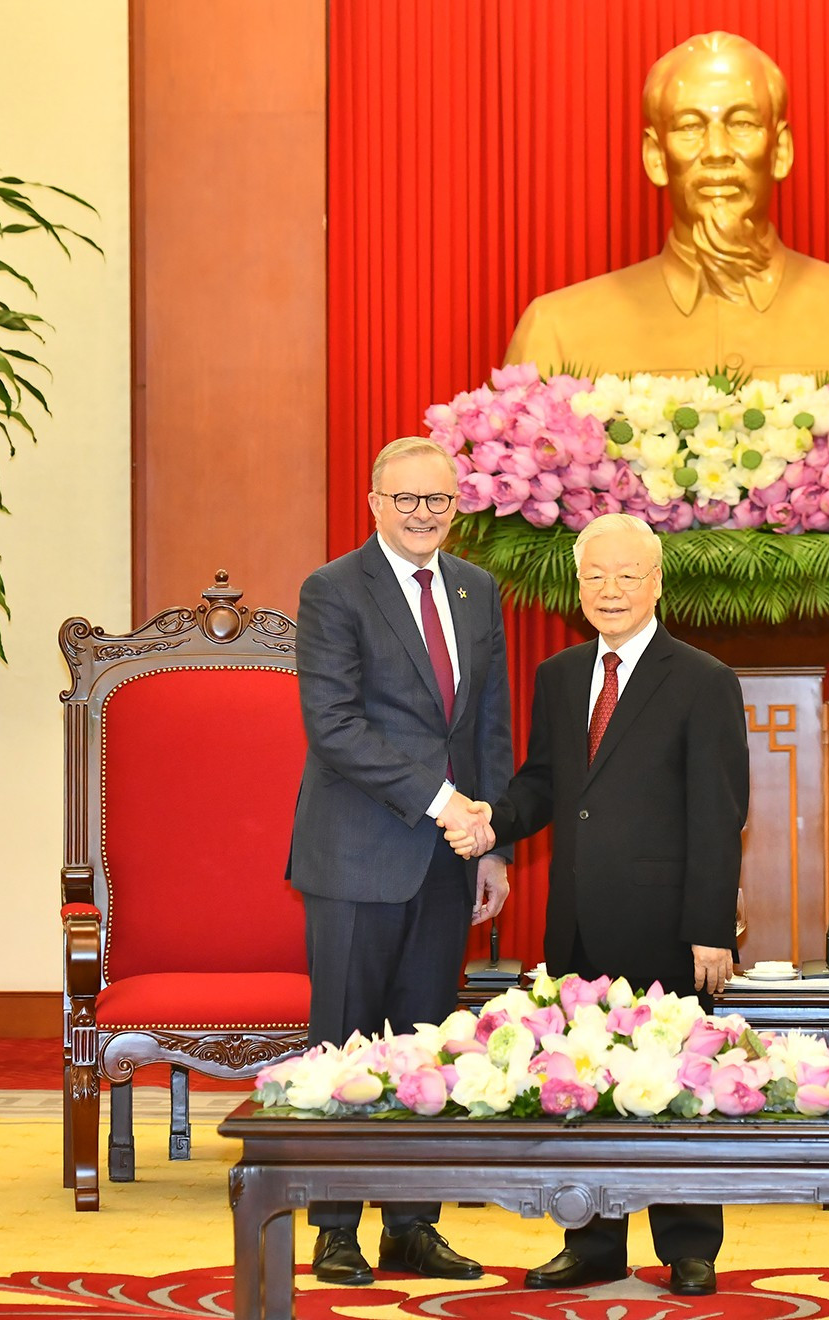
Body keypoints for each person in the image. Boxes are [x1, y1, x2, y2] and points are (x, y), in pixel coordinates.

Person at [449, 512, 749, 1297]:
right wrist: (492, 822)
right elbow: (546, 784)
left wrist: (710, 930)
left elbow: (720, 815)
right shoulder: (559, 674)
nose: (610, 591)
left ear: (657, 583)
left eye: (627, 576)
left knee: (677, 1085)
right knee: (581, 1084)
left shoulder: (704, 679)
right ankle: (592, 1243)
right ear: (577, 586)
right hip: (577, 916)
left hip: (668, 925)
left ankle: (689, 1247)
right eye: (595, 577)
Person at [287, 437, 512, 1285]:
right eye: (407, 500)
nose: (424, 514)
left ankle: (413, 1224)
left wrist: (494, 842)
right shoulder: (334, 589)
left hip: (453, 859)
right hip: (358, 854)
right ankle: (336, 1228)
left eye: (439, 501)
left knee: (426, 1045)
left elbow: (486, 722)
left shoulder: (476, 588)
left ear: (458, 508)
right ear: (375, 502)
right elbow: (334, 726)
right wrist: (441, 802)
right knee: (345, 1041)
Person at [503, 31, 829, 378]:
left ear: (781, 149)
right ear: (656, 157)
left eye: (743, 123)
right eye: (690, 126)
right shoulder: (556, 331)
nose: (717, 150)